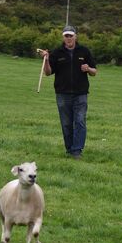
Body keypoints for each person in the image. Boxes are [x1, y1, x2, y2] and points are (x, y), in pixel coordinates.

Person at [39, 25, 98, 160]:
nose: (69, 38)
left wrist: (88, 68)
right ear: (63, 37)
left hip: (81, 93)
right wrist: (46, 60)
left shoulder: (84, 51)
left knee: (80, 121)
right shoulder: (57, 53)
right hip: (62, 94)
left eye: (71, 35)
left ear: (75, 36)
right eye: (66, 35)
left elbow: (95, 72)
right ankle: (69, 149)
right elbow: (48, 73)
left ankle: (77, 151)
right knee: (66, 123)